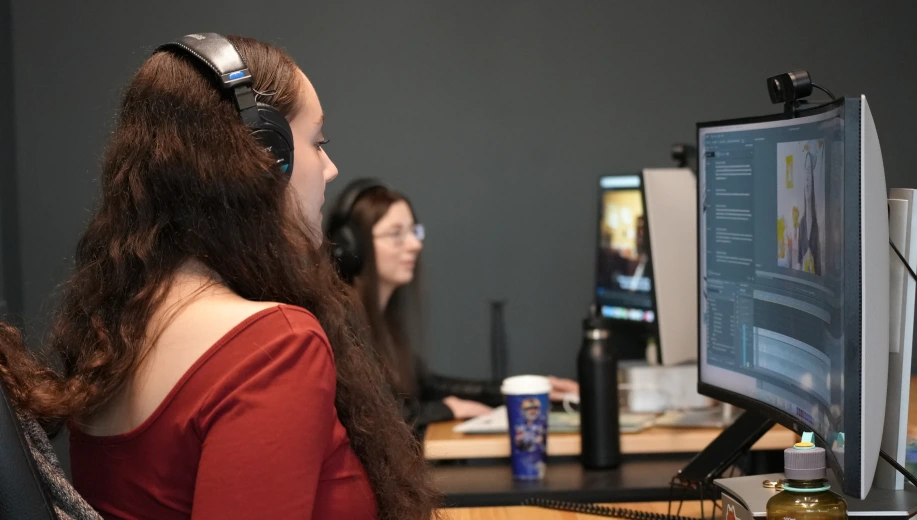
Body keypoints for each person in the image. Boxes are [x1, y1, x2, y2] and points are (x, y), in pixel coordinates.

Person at [0, 34, 438, 520]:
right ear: (267, 156)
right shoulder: (273, 347)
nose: (330, 168)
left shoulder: (115, 337)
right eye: (318, 142)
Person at [325, 179, 579, 433]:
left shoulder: (380, 320)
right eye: (396, 234)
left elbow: (427, 385)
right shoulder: (341, 322)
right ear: (351, 247)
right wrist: (447, 409)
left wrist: (523, 389)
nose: (415, 244)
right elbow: (368, 417)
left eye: (414, 231)